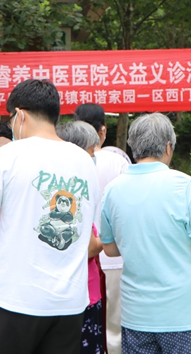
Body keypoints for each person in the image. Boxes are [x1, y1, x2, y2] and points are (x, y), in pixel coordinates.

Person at [0, 79, 100, 354]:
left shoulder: (8, 155)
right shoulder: (85, 161)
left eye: (11, 118)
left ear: (20, 115)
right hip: (69, 305)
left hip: (14, 300)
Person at [99, 113, 191, 354]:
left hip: (136, 313)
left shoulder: (113, 189)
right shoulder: (184, 185)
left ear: (133, 147)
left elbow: (109, 249)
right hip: (184, 311)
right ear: (168, 147)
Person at [73, 103, 129, 354]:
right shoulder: (117, 162)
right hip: (113, 256)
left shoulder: (67, 162)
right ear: (102, 131)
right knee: (114, 330)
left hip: (79, 260)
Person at [56, 120, 106, 354]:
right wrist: (106, 240)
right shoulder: (74, 191)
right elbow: (87, 248)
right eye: (92, 152)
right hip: (81, 293)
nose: (94, 158)